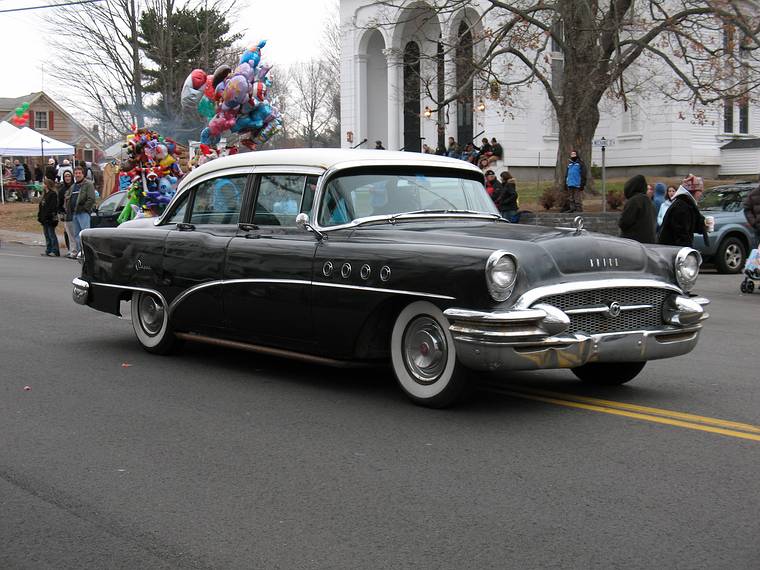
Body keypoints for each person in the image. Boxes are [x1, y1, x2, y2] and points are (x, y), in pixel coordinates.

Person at [658, 174, 708, 247]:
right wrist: (688, 253)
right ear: (695, 191)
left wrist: (703, 226)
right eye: (701, 191)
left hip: (672, 249)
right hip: (671, 251)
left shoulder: (686, 204)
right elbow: (681, 234)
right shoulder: (682, 207)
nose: (701, 194)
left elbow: (691, 224)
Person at [64, 165, 97, 259]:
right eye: (76, 173)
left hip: (83, 214)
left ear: (83, 174)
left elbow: (91, 199)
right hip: (74, 214)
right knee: (77, 235)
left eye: (79, 173)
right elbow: (68, 197)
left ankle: (87, 253)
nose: (77, 175)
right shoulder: (73, 186)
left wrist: (85, 208)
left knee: (85, 234)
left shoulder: (88, 184)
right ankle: (80, 253)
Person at [618, 174, 657, 243]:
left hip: (633, 243)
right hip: (648, 243)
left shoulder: (634, 201)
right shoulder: (649, 202)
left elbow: (624, 223)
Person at [38, 178, 60, 257]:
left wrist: (48, 215)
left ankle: (55, 250)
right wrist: (40, 216)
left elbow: (52, 207)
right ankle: (48, 249)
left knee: (51, 234)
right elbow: (41, 206)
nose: (42, 185)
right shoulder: (44, 194)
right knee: (46, 234)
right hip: (44, 218)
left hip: (50, 218)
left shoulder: (52, 194)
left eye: (43, 183)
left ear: (47, 185)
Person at [58, 170, 75, 253]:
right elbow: (59, 203)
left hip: (75, 213)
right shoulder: (62, 190)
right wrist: (61, 213)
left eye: (69, 176)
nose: (67, 178)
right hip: (66, 214)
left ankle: (75, 249)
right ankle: (70, 249)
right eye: (66, 176)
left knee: (75, 233)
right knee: (67, 233)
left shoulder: (75, 186)